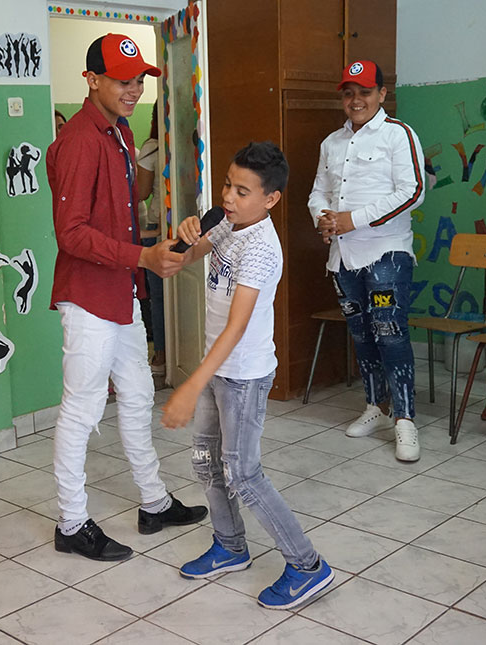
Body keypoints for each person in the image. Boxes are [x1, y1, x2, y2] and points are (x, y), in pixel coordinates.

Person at [47, 33, 207, 561]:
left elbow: (120, 208)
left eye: (139, 80)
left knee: (137, 397)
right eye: (122, 80)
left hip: (122, 293)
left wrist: (150, 254)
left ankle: (154, 502)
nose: (134, 89)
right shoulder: (80, 140)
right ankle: (71, 523)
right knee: (82, 409)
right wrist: (142, 257)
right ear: (92, 80)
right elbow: (70, 233)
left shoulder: (119, 131)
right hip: (88, 297)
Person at [162, 142, 334, 610]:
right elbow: (179, 262)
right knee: (205, 461)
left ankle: (307, 566)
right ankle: (230, 545)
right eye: (227, 185)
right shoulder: (226, 223)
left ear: (270, 198)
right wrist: (185, 236)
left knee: (243, 473)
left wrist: (190, 385)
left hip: (242, 376)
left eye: (242, 191)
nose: (229, 197)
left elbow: (236, 328)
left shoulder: (260, 248)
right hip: (218, 370)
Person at [307, 60, 426, 462]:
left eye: (365, 92)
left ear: (381, 94)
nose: (356, 100)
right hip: (343, 257)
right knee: (361, 334)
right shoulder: (331, 143)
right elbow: (318, 193)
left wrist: (352, 220)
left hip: (385, 253)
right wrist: (323, 219)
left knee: (390, 333)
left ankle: (405, 419)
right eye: (349, 93)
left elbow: (413, 191)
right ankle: (376, 405)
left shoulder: (398, 134)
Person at [136, 106, 166, 375]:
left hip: (159, 224)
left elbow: (141, 192)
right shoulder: (194, 142)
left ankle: (161, 355)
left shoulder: (152, 147)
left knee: (158, 295)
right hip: (187, 222)